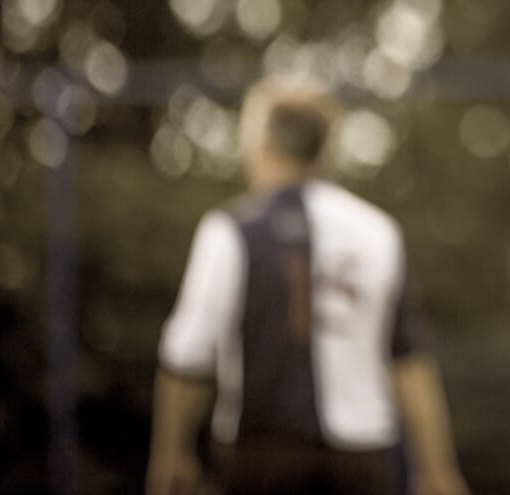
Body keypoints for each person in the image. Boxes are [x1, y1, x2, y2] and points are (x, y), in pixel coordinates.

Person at [146, 74, 471, 495]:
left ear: (262, 142)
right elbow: (409, 360)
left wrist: (170, 454)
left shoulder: (229, 230)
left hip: (262, 456)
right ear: (324, 147)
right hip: (363, 457)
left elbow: (187, 356)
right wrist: (436, 468)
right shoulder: (378, 232)